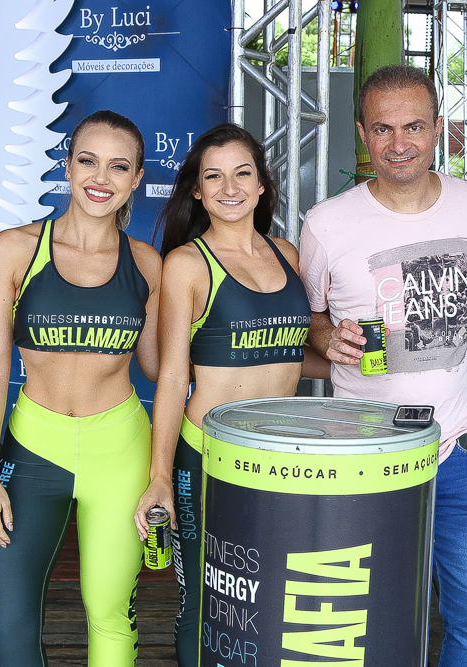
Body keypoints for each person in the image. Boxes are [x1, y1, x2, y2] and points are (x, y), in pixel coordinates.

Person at [299, 64, 467, 666]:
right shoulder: (326, 224)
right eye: (383, 129)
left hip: (463, 445)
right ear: (362, 133)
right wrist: (329, 337)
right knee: (372, 620)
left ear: (438, 127)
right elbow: (311, 319)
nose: (398, 144)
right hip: (368, 451)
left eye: (413, 126)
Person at [134, 123, 328, 667]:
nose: (230, 187)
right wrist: (159, 475)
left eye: (242, 173)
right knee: (205, 598)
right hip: (208, 455)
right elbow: (174, 377)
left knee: (271, 590)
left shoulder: (286, 254)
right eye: (213, 177)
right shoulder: (187, 264)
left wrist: (345, 359)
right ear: (197, 191)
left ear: (262, 184)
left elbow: (286, 352)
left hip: (278, 453)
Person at [0, 110, 161, 666]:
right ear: (67, 166)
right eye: (87, 161)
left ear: (137, 178)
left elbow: (159, 368)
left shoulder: (146, 263)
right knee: (11, 626)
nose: (101, 178)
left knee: (109, 615)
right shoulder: (13, 249)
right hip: (33, 449)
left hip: (121, 450)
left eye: (118, 166)